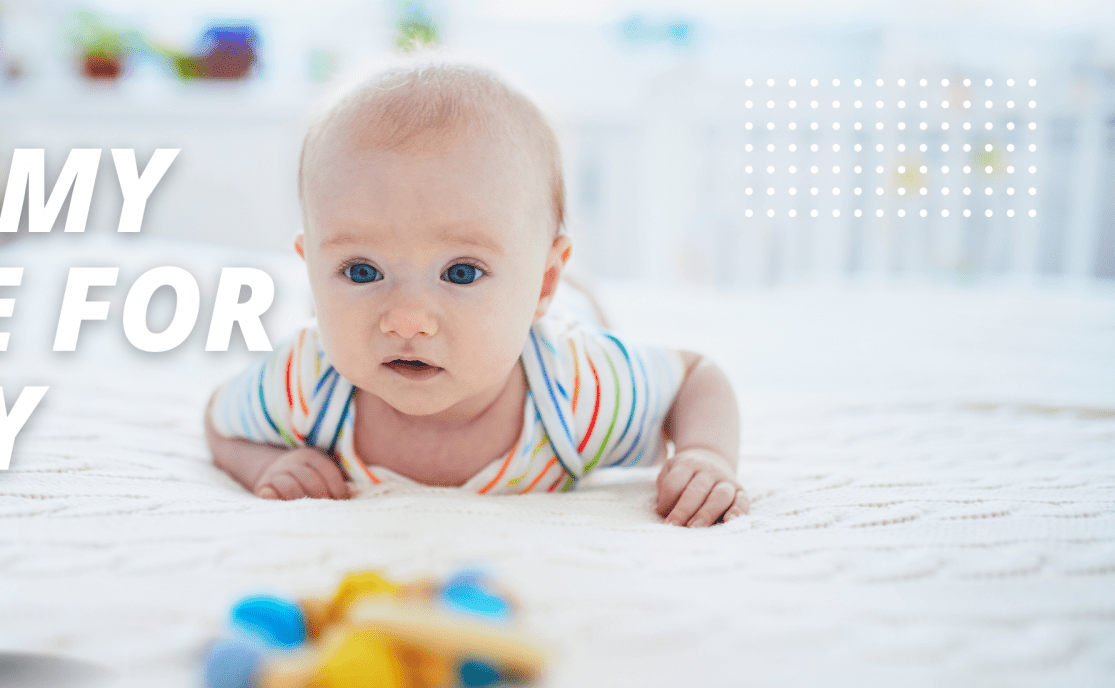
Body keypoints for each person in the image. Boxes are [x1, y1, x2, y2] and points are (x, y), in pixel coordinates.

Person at [206, 55, 747, 528]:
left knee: (590, 313)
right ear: (311, 271)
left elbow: (695, 378)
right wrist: (264, 466)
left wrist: (706, 454)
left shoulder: (578, 387)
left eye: (461, 272)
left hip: (560, 321)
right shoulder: (309, 378)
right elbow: (218, 418)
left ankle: (573, 291)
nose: (406, 319)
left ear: (543, 284)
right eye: (361, 271)